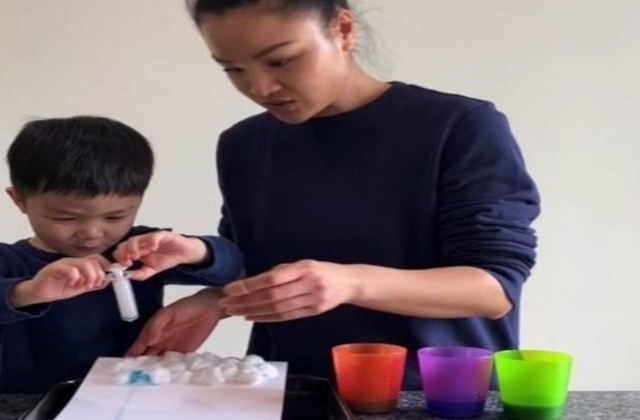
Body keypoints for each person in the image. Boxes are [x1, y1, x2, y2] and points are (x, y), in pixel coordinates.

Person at [129, 0, 541, 391]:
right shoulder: (244, 144)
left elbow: (493, 289)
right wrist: (215, 298)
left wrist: (351, 282)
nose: (260, 86)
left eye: (280, 60)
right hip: (290, 390)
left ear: (343, 29)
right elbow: (257, 265)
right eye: (233, 69)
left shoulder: (458, 127)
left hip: (433, 397)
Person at [0, 116, 243, 393]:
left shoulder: (138, 248)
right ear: (19, 200)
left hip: (131, 392)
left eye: (115, 216)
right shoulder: (10, 261)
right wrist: (29, 291)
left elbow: (234, 268)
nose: (92, 233)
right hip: (31, 401)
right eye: (65, 218)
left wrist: (197, 251)